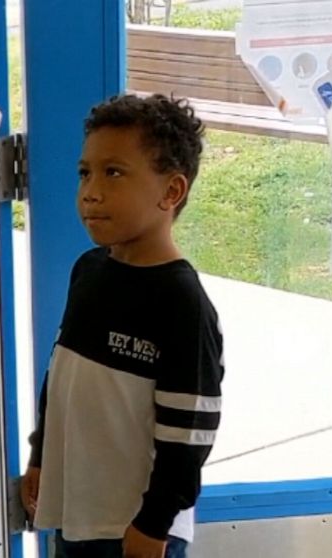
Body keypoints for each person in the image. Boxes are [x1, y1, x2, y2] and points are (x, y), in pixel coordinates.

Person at [20, 94, 225, 558]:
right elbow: (61, 379)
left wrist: (153, 527)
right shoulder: (88, 271)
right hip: (74, 512)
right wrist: (41, 455)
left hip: (135, 530)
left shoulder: (181, 302)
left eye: (113, 172)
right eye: (85, 172)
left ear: (171, 192)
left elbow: (189, 434)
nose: (91, 190)